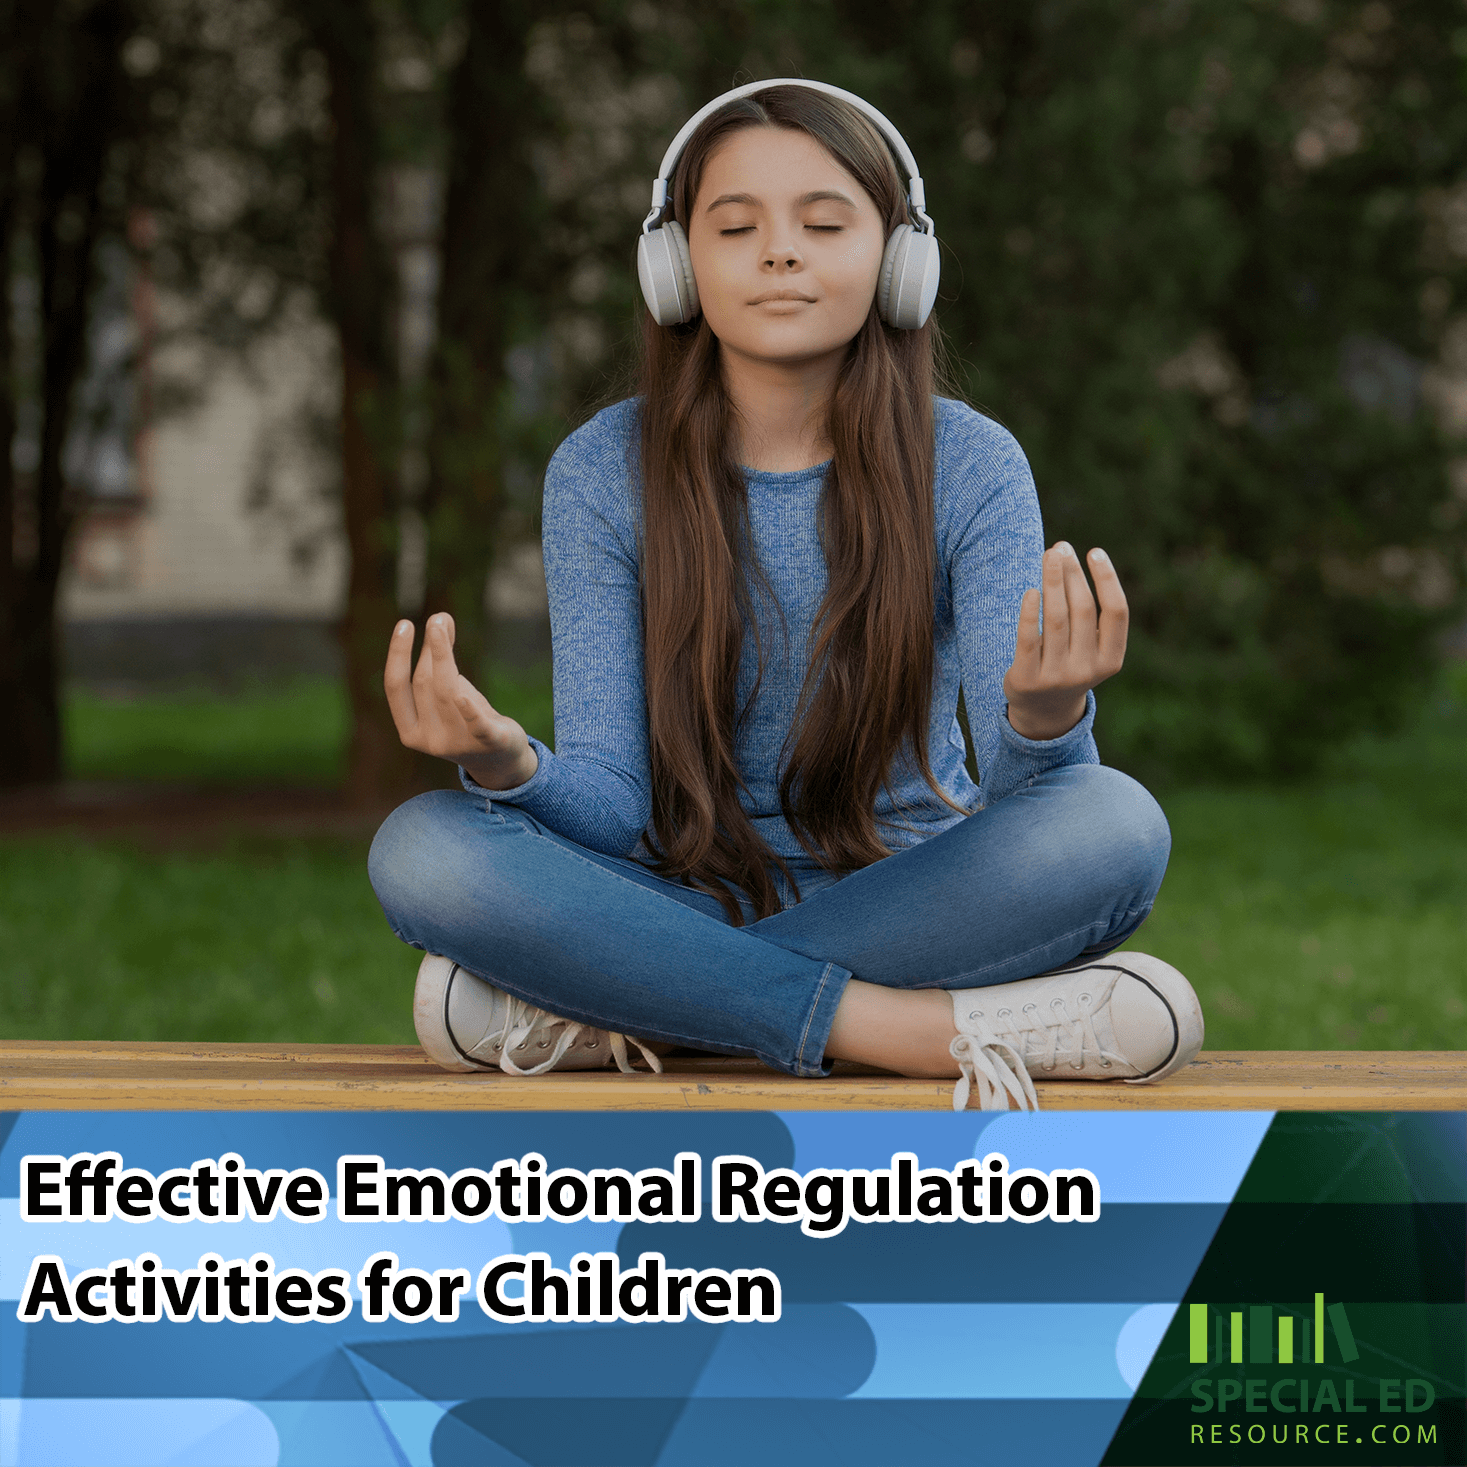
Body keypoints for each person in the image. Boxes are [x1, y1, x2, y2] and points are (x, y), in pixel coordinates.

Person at [367, 80, 1204, 1111]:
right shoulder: (599, 471)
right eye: (735, 226)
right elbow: (614, 804)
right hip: (672, 894)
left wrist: (1045, 717)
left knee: (1115, 823)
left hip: (914, 900)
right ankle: (905, 1030)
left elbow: (1035, 811)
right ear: (676, 267)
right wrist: (505, 765)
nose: (779, 251)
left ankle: (621, 1010)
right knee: (425, 847)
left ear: (901, 262)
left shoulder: (974, 465)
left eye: (822, 221)